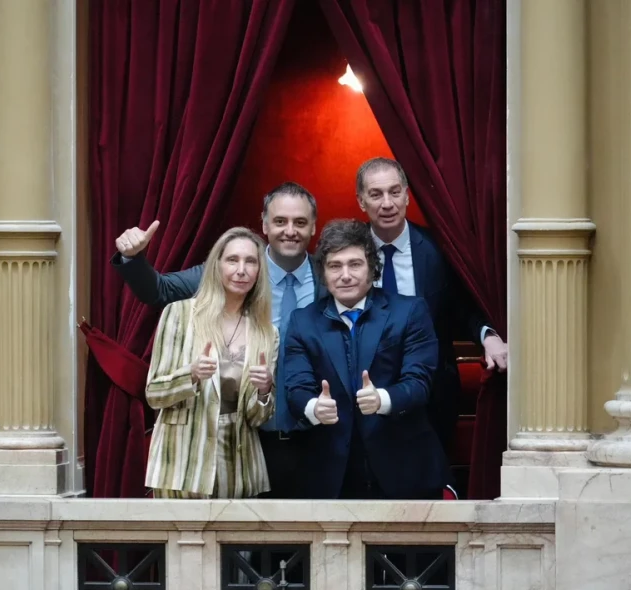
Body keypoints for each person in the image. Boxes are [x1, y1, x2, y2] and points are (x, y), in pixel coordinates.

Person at [113, 182, 322, 498]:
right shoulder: (231, 268)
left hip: (309, 438)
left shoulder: (332, 276)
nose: (289, 230)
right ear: (264, 224)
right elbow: (158, 290)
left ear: (313, 227)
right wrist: (133, 259)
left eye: (300, 222)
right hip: (243, 441)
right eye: (280, 221)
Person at [283, 219, 450, 499]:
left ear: (372, 267)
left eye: (355, 264)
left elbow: (419, 382)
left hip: (404, 469)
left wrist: (382, 399)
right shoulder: (303, 321)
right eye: (335, 266)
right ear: (323, 273)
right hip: (332, 473)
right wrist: (314, 407)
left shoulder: (409, 312)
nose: (345, 275)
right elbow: (296, 386)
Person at [354, 157, 509, 455]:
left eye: (395, 191)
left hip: (431, 394)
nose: (387, 203)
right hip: (364, 394)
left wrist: (488, 336)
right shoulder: (348, 253)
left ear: (408, 195)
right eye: (376, 194)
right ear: (361, 201)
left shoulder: (439, 247)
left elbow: (461, 308)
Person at [144, 227, 277, 498]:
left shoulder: (266, 333)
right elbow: (153, 394)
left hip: (238, 467)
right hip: (181, 464)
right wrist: (190, 374)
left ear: (259, 271)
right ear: (216, 265)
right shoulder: (179, 313)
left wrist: (264, 392)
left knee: (234, 542)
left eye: (251, 262)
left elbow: (257, 418)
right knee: (181, 540)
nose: (241, 270)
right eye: (232, 260)